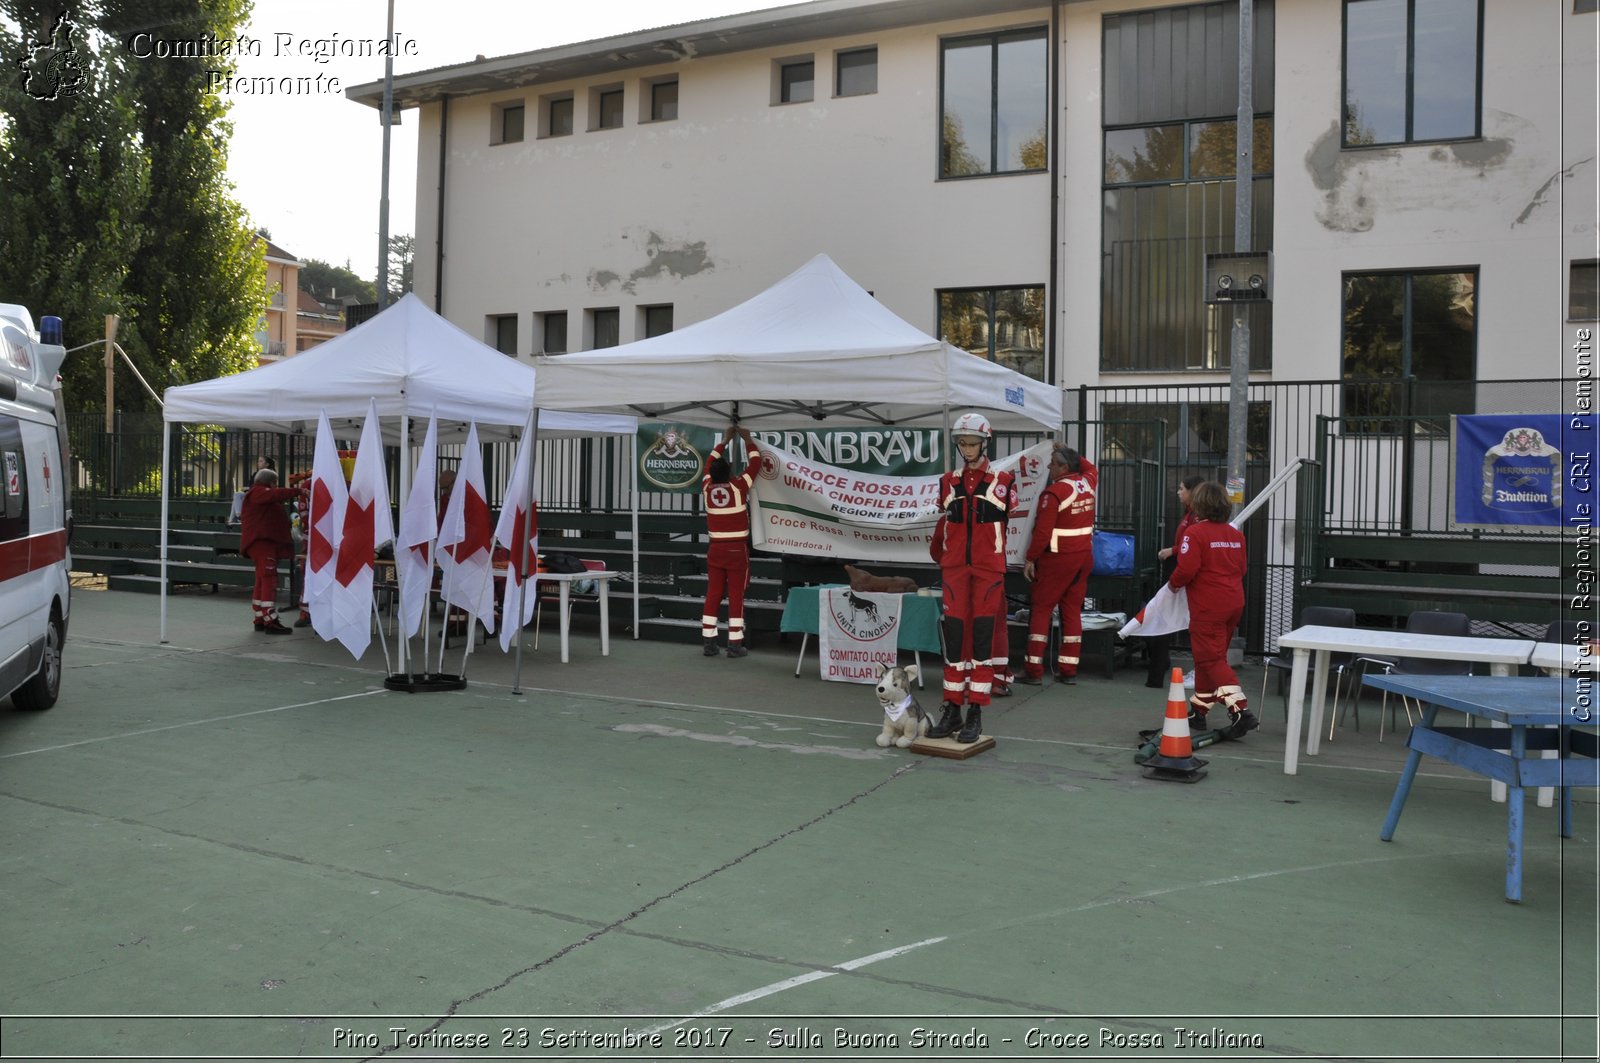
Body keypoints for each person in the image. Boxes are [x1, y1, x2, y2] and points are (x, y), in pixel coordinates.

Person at [927, 412, 1014, 743]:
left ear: (985, 442)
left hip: (988, 572)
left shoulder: (1003, 481)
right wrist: (946, 559)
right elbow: (942, 528)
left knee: (981, 642)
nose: (966, 448)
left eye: (972, 442)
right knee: (954, 642)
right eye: (962, 442)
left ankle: (975, 712)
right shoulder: (947, 482)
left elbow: (1006, 522)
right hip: (955, 573)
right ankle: (952, 709)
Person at [1169, 480, 1257, 733]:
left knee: (1211, 658)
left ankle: (1239, 709)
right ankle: (1199, 710)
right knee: (1209, 658)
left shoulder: (1195, 533)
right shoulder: (1236, 535)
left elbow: (1186, 570)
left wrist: (1173, 585)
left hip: (1208, 604)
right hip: (1234, 601)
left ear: (1199, 505)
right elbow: (1241, 569)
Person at [1017, 445, 1097, 686]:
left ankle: (1033, 670)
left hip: (1057, 559)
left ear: (1064, 467)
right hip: (1083, 557)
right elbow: (1089, 466)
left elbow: (1042, 533)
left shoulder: (1054, 493)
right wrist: (1068, 450)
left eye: (1053, 462)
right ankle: (1068, 670)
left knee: (1041, 609)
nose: (1049, 466)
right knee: (1071, 610)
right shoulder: (1088, 482)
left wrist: (1030, 558)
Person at [701, 424, 762, 658]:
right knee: (736, 595)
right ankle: (734, 644)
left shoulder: (707, 487)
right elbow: (755, 463)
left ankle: (709, 641)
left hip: (715, 550)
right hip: (737, 551)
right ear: (729, 473)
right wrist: (748, 440)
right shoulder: (738, 487)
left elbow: (708, 463)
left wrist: (724, 441)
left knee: (713, 593)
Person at [1143, 474, 1206, 687]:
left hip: (1183, 575)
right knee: (1163, 618)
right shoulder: (1189, 515)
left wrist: (1173, 551)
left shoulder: (1197, 517)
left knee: (1165, 619)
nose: (1178, 492)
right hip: (1178, 572)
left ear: (1192, 492)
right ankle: (1159, 669)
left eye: (1182, 488)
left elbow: (1194, 546)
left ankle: (1158, 674)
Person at [239, 466, 299, 634]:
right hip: (263, 543)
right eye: (275, 483)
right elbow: (275, 494)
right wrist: (299, 491)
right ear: (270, 483)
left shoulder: (257, 495)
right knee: (269, 579)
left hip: (260, 544)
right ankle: (270, 620)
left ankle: (259, 617)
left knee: (261, 579)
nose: (276, 486)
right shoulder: (259, 492)